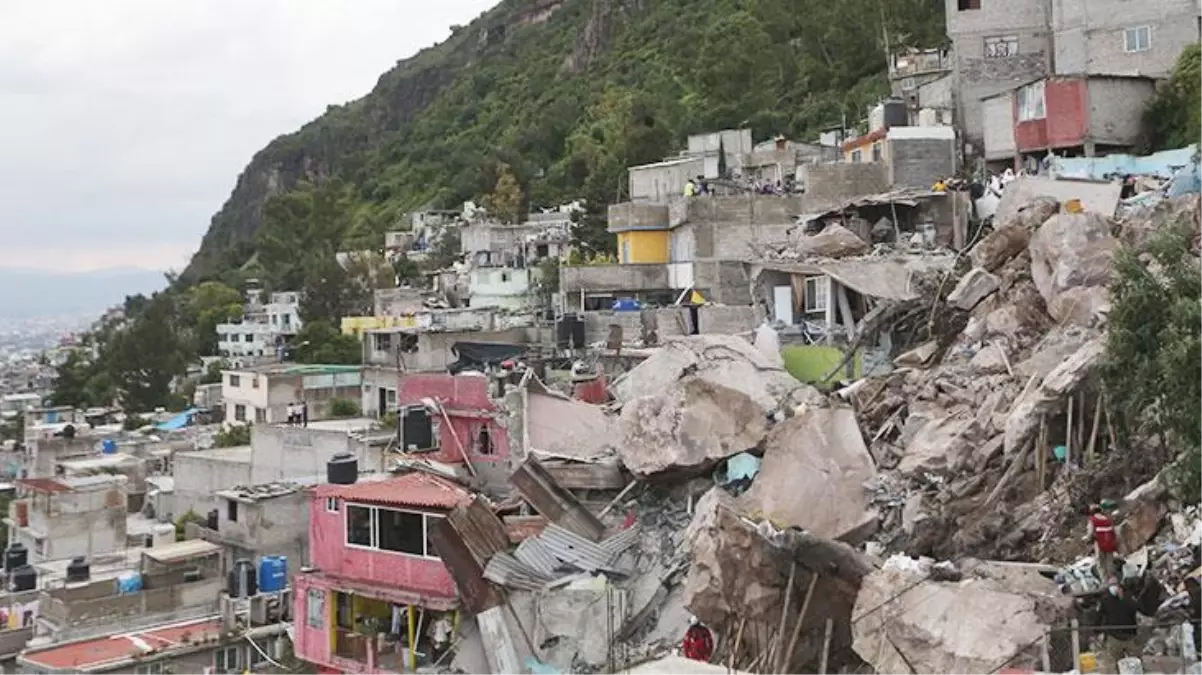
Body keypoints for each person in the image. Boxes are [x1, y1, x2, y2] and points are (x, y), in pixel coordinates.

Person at [1098, 577, 1141, 671]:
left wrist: (1123, 598)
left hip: (1130, 635)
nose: (1113, 587)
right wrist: (1100, 632)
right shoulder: (1105, 599)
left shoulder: (1128, 597)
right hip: (1114, 636)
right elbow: (1101, 615)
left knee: (1135, 663)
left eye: (1115, 584)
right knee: (1117, 663)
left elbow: (1135, 609)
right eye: (1111, 585)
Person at [1085, 504, 1119, 581]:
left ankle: (1105, 581)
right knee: (1110, 563)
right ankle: (1113, 580)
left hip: (1099, 544)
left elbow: (1090, 533)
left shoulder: (1092, 520)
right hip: (1110, 544)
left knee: (1101, 564)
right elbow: (1114, 532)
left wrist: (1088, 540)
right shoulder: (1108, 519)